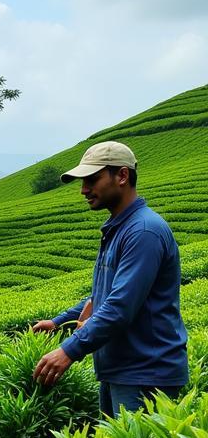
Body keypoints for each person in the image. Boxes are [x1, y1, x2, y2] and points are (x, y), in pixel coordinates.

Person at [32, 141, 187, 417]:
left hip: (144, 374)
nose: (84, 189)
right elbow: (102, 294)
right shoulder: (120, 229)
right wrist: (58, 322)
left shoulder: (143, 232)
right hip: (121, 369)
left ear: (123, 176)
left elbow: (119, 307)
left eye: (92, 179)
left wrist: (69, 351)